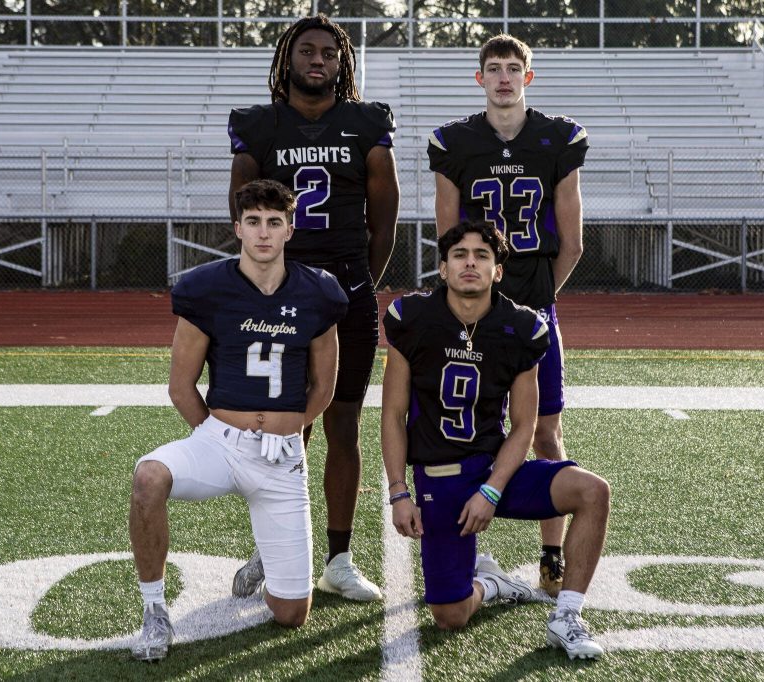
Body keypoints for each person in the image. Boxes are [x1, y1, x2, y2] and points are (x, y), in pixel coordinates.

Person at [128, 179, 348, 661]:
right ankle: (154, 611)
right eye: (253, 222)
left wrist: (289, 432)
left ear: (290, 229)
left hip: (282, 457)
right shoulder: (206, 288)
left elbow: (323, 388)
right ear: (238, 229)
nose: (263, 233)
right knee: (148, 476)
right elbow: (181, 386)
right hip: (220, 443)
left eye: (274, 222)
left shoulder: (318, 291)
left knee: (291, 614)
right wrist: (217, 435)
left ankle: (267, 557)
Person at [226, 13, 399, 602]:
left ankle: (339, 560)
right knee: (283, 426)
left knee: (343, 423)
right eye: (307, 50)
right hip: (281, 294)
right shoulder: (258, 125)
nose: (318, 59)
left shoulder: (366, 123)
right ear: (288, 58)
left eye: (328, 51)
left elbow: (384, 222)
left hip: (346, 290)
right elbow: (243, 218)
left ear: (342, 61)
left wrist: (355, 286)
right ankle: (276, 546)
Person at [381, 221, 609, 660]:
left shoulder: (521, 327)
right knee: (449, 616)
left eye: (482, 256)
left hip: (495, 470)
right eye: (460, 255)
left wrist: (491, 489)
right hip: (440, 475)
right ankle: (492, 584)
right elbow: (392, 414)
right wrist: (398, 492)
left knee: (593, 491)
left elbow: (524, 425)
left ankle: (567, 615)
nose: (470, 263)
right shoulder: (413, 319)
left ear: (497, 271)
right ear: (443, 268)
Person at [426, 34, 589, 597]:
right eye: (493, 68)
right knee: (470, 428)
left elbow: (573, 243)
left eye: (512, 69)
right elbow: (448, 239)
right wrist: (478, 300)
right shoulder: (454, 143)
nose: (503, 78)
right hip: (473, 312)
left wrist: (534, 298)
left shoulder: (557, 138)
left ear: (527, 77)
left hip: (531, 305)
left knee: (545, 430)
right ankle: (468, 550)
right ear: (480, 78)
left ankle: (551, 553)